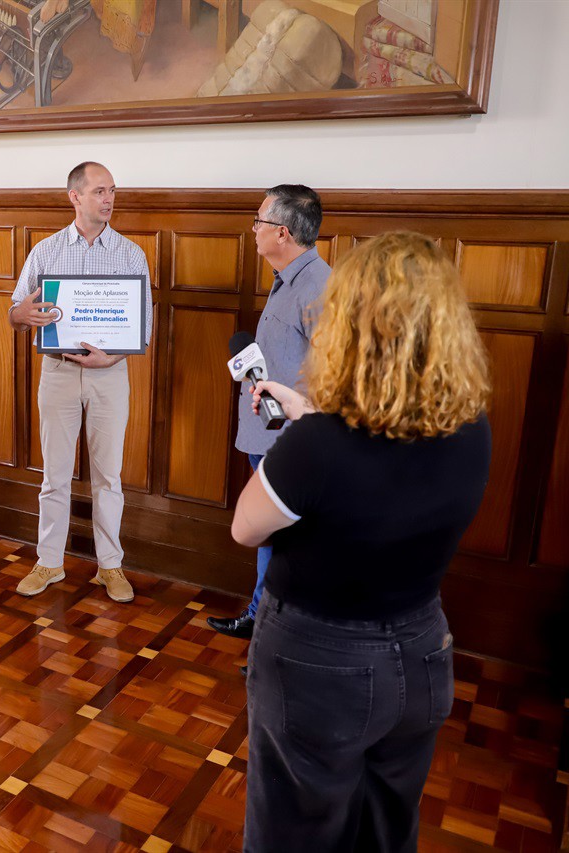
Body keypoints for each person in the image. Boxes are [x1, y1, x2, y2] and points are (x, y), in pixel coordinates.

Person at [232, 231, 491, 852]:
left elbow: (246, 527)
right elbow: (380, 462)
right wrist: (307, 413)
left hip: (321, 663)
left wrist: (305, 429)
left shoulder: (319, 445)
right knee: (384, 833)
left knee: (293, 835)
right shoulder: (471, 427)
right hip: (424, 652)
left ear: (352, 325)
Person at [7, 161, 152, 604]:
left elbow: (143, 326)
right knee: (54, 474)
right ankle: (49, 562)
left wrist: (113, 356)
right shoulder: (45, 251)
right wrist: (20, 314)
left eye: (112, 191)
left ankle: (110, 566)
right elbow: (16, 313)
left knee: (109, 476)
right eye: (99, 191)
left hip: (111, 375)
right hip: (58, 372)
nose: (109, 199)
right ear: (75, 196)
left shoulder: (130, 254)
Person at [207, 185, 330, 645]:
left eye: (259, 221)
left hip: (291, 441)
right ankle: (260, 620)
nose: (253, 229)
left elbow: (331, 373)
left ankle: (275, 635)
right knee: (273, 539)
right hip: (269, 433)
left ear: (282, 233)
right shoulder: (288, 280)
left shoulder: (318, 287)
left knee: (288, 543)